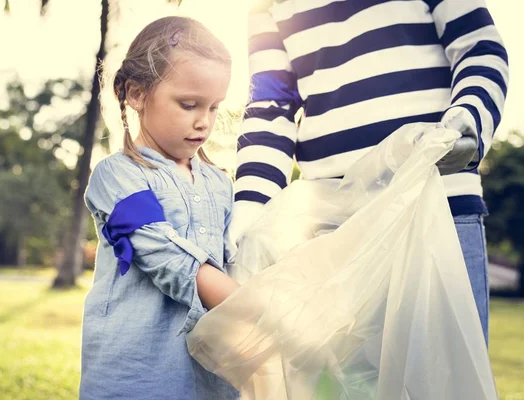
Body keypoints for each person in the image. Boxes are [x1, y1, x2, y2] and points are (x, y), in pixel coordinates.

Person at [231, 0, 509, 344]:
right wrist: (251, 204)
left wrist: (470, 115)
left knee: (447, 374)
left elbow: (479, 48)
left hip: (440, 205)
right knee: (343, 390)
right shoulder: (266, 6)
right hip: (334, 229)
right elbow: (271, 107)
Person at [79, 16, 240, 400]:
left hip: (209, 382)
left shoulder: (221, 184)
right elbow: (163, 252)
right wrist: (251, 307)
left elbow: (237, 261)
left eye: (215, 107)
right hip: (135, 380)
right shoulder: (117, 176)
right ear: (136, 93)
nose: (204, 122)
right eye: (189, 105)